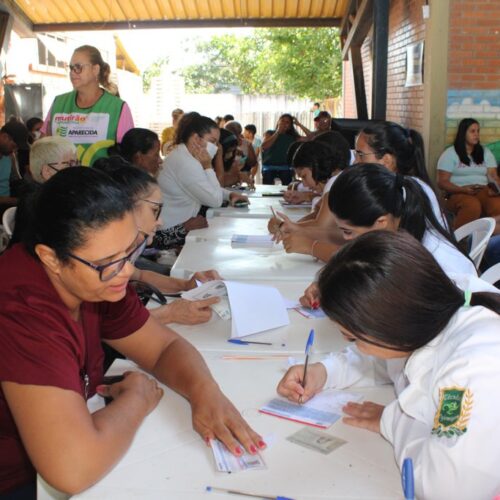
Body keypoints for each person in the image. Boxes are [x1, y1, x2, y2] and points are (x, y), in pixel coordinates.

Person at [0, 167, 265, 498]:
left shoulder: (98, 277)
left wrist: (206, 392)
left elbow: (162, 347)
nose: (126, 271)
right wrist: (137, 399)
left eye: (130, 251)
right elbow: (72, 469)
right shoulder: (22, 311)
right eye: (110, 261)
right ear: (51, 259)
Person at [277, 230, 500, 499]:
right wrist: (323, 372)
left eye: (353, 337)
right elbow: (384, 361)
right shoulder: (425, 309)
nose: (355, 346)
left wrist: (393, 420)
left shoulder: (473, 369)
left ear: (388, 326)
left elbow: (445, 488)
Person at [95, 162, 221, 325]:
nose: (160, 221)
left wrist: (186, 285)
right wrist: (169, 314)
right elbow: (105, 327)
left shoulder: (121, 253)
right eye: (154, 211)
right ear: (123, 208)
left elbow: (139, 275)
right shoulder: (97, 259)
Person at [292, 163, 476, 274]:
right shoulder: (397, 233)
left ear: (381, 221)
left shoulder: (434, 263)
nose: (346, 239)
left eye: (348, 231)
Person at [112, 129, 208, 251]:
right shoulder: (129, 188)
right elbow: (147, 243)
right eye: (156, 154)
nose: (160, 160)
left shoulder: (136, 181)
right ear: (138, 157)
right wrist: (183, 228)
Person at [41, 45, 134, 166]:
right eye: (71, 68)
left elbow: (129, 155)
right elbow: (43, 148)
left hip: (101, 183)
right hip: (63, 182)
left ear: (95, 69)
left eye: (78, 67)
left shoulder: (118, 107)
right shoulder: (58, 103)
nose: (73, 73)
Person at [157, 112, 248, 229]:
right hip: (171, 232)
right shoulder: (185, 163)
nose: (216, 147)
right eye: (212, 141)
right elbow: (215, 200)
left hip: (182, 226)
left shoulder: (186, 156)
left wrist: (230, 194)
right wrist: (208, 166)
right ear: (196, 138)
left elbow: (208, 187)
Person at [268, 132, 351, 253]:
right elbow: (316, 217)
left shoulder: (335, 183)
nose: (305, 184)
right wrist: (290, 226)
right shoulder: (336, 181)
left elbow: (321, 228)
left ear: (316, 166)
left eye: (304, 176)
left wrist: (286, 227)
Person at [355, 120, 447, 227]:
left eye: (360, 155)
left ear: (386, 160)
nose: (355, 162)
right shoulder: (393, 185)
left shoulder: (405, 191)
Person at [437, 117, 500, 229]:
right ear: (463, 133)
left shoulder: (485, 152)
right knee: (472, 205)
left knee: (497, 205)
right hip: (456, 192)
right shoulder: (450, 153)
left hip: (482, 190)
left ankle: (490, 237)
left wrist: (495, 189)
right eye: (472, 131)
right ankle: (459, 240)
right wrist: (463, 189)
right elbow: (442, 182)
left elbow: (493, 176)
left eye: (478, 131)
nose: (476, 134)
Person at [261, 114, 300, 185]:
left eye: (287, 122)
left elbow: (311, 138)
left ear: (290, 125)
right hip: (269, 167)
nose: (284, 124)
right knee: (268, 185)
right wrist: (278, 132)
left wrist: (299, 124)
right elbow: (264, 146)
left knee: (287, 185)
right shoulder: (270, 133)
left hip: (286, 167)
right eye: (282, 121)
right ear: (278, 122)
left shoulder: (293, 136)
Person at [224, 121, 257, 185]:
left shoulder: (247, 144)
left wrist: (243, 155)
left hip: (243, 178)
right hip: (227, 177)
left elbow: (253, 163)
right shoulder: (223, 144)